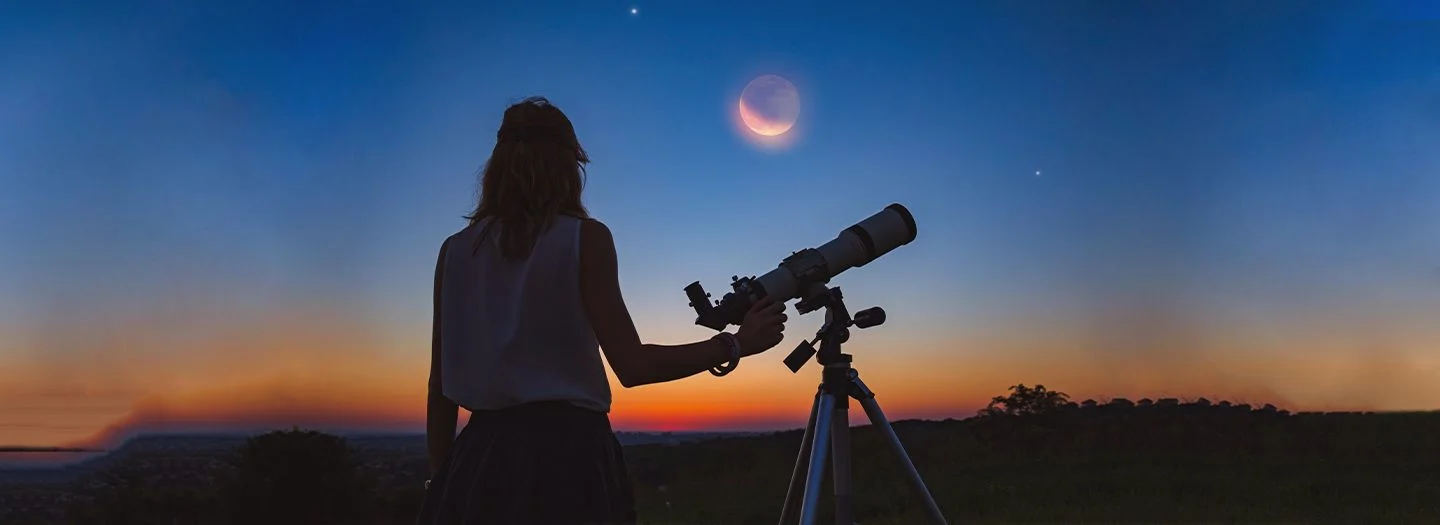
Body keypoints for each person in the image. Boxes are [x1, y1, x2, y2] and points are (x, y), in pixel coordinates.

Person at [416, 96, 789, 525]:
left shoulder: (455, 250)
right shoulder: (585, 239)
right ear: (568, 165)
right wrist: (737, 343)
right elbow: (632, 366)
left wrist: (441, 483)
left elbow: (440, 386)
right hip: (567, 459)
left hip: (478, 460)